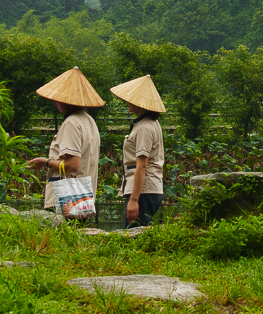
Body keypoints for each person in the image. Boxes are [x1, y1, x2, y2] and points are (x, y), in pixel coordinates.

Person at [25, 68, 102, 217]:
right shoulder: (89, 120)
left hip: (66, 199)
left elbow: (72, 165)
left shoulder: (71, 123)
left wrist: (46, 162)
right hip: (82, 199)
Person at [111, 74, 167, 228]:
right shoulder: (145, 124)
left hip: (144, 191)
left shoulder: (144, 128)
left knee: (131, 235)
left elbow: (142, 165)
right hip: (145, 190)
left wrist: (134, 200)